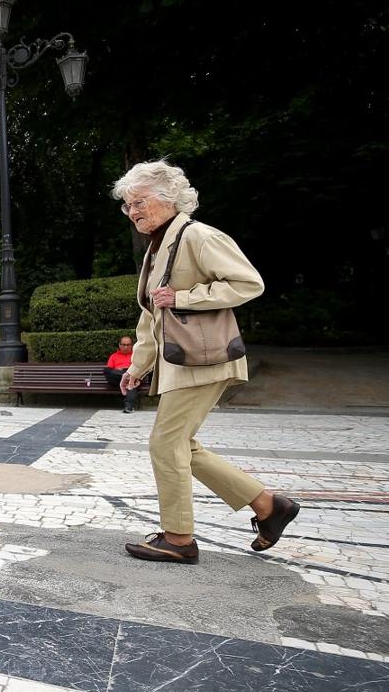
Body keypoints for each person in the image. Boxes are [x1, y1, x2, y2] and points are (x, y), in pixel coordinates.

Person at [114, 159, 299, 564]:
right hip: (183, 361)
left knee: (166, 443)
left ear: (168, 199)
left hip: (204, 359)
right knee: (183, 446)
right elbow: (151, 314)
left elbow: (249, 283)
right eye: (128, 205)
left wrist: (185, 298)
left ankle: (179, 540)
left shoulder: (198, 236)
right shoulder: (158, 247)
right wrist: (138, 365)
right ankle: (269, 506)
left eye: (140, 201)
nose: (133, 211)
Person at [103, 335, 140, 413]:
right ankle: (127, 376)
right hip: (117, 378)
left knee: (131, 381)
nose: (126, 347)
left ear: (131, 345)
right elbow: (109, 371)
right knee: (107, 370)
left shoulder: (136, 356)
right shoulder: (113, 356)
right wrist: (120, 371)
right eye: (123, 345)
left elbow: (139, 368)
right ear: (120, 345)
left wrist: (128, 372)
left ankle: (129, 407)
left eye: (128, 345)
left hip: (132, 377)